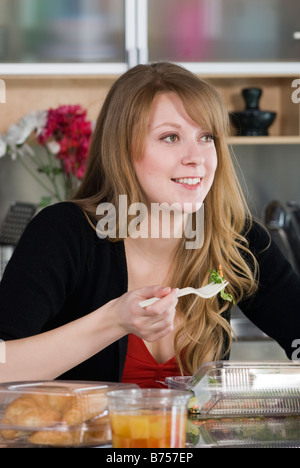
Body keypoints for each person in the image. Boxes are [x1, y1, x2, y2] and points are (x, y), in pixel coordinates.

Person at [0, 62, 299, 387]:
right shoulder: (64, 233)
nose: (196, 157)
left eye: (206, 137)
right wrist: (115, 320)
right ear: (123, 149)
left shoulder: (235, 238)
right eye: (170, 137)